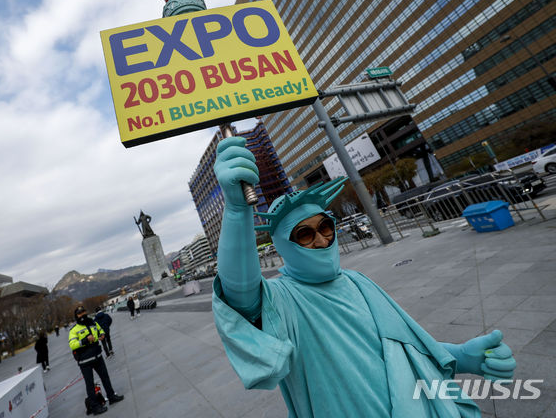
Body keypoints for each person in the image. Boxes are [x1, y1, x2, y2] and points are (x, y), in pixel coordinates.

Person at [211, 137, 516, 417]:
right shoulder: (279, 299)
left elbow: (405, 346)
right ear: (284, 246)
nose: (320, 240)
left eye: (325, 227)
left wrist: (462, 357)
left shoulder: (357, 281)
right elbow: (240, 294)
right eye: (304, 234)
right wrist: (238, 212)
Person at [69, 305, 124, 415]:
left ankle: (111, 396)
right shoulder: (74, 330)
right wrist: (85, 340)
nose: (82, 315)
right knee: (89, 385)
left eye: (83, 312)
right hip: (85, 362)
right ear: (76, 316)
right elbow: (72, 344)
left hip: (97, 357)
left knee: (105, 377)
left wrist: (102, 334)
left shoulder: (93, 323)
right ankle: (95, 407)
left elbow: (100, 330)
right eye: (80, 313)